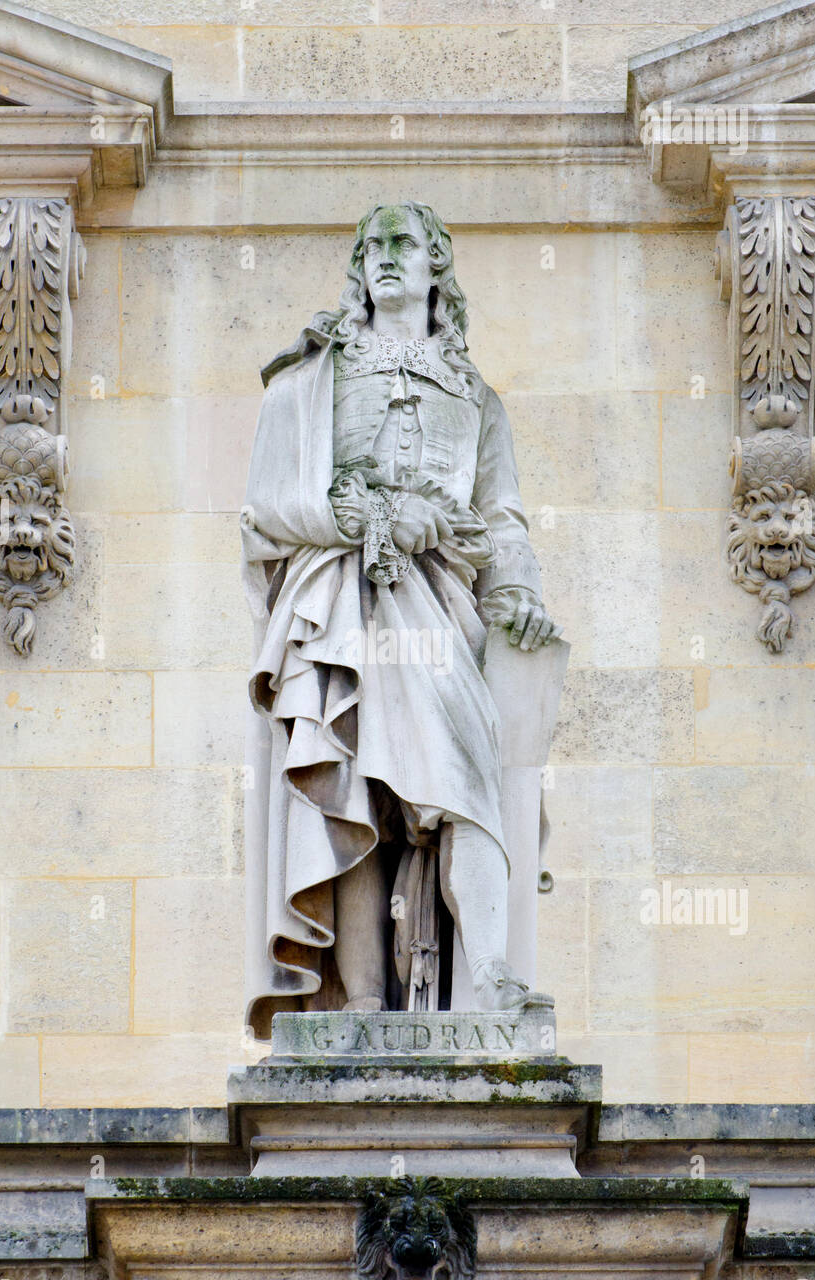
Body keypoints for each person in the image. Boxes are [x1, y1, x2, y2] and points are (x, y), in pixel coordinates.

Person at [241, 201, 559, 1035]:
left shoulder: (476, 396)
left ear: (433, 266)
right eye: (371, 246)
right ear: (359, 269)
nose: (385, 257)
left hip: (442, 611)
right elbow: (269, 504)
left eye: (403, 244)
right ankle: (364, 1008)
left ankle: (487, 970)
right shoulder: (317, 376)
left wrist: (515, 590)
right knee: (346, 786)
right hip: (343, 599)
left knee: (465, 782)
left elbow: (503, 516)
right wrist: (376, 519)